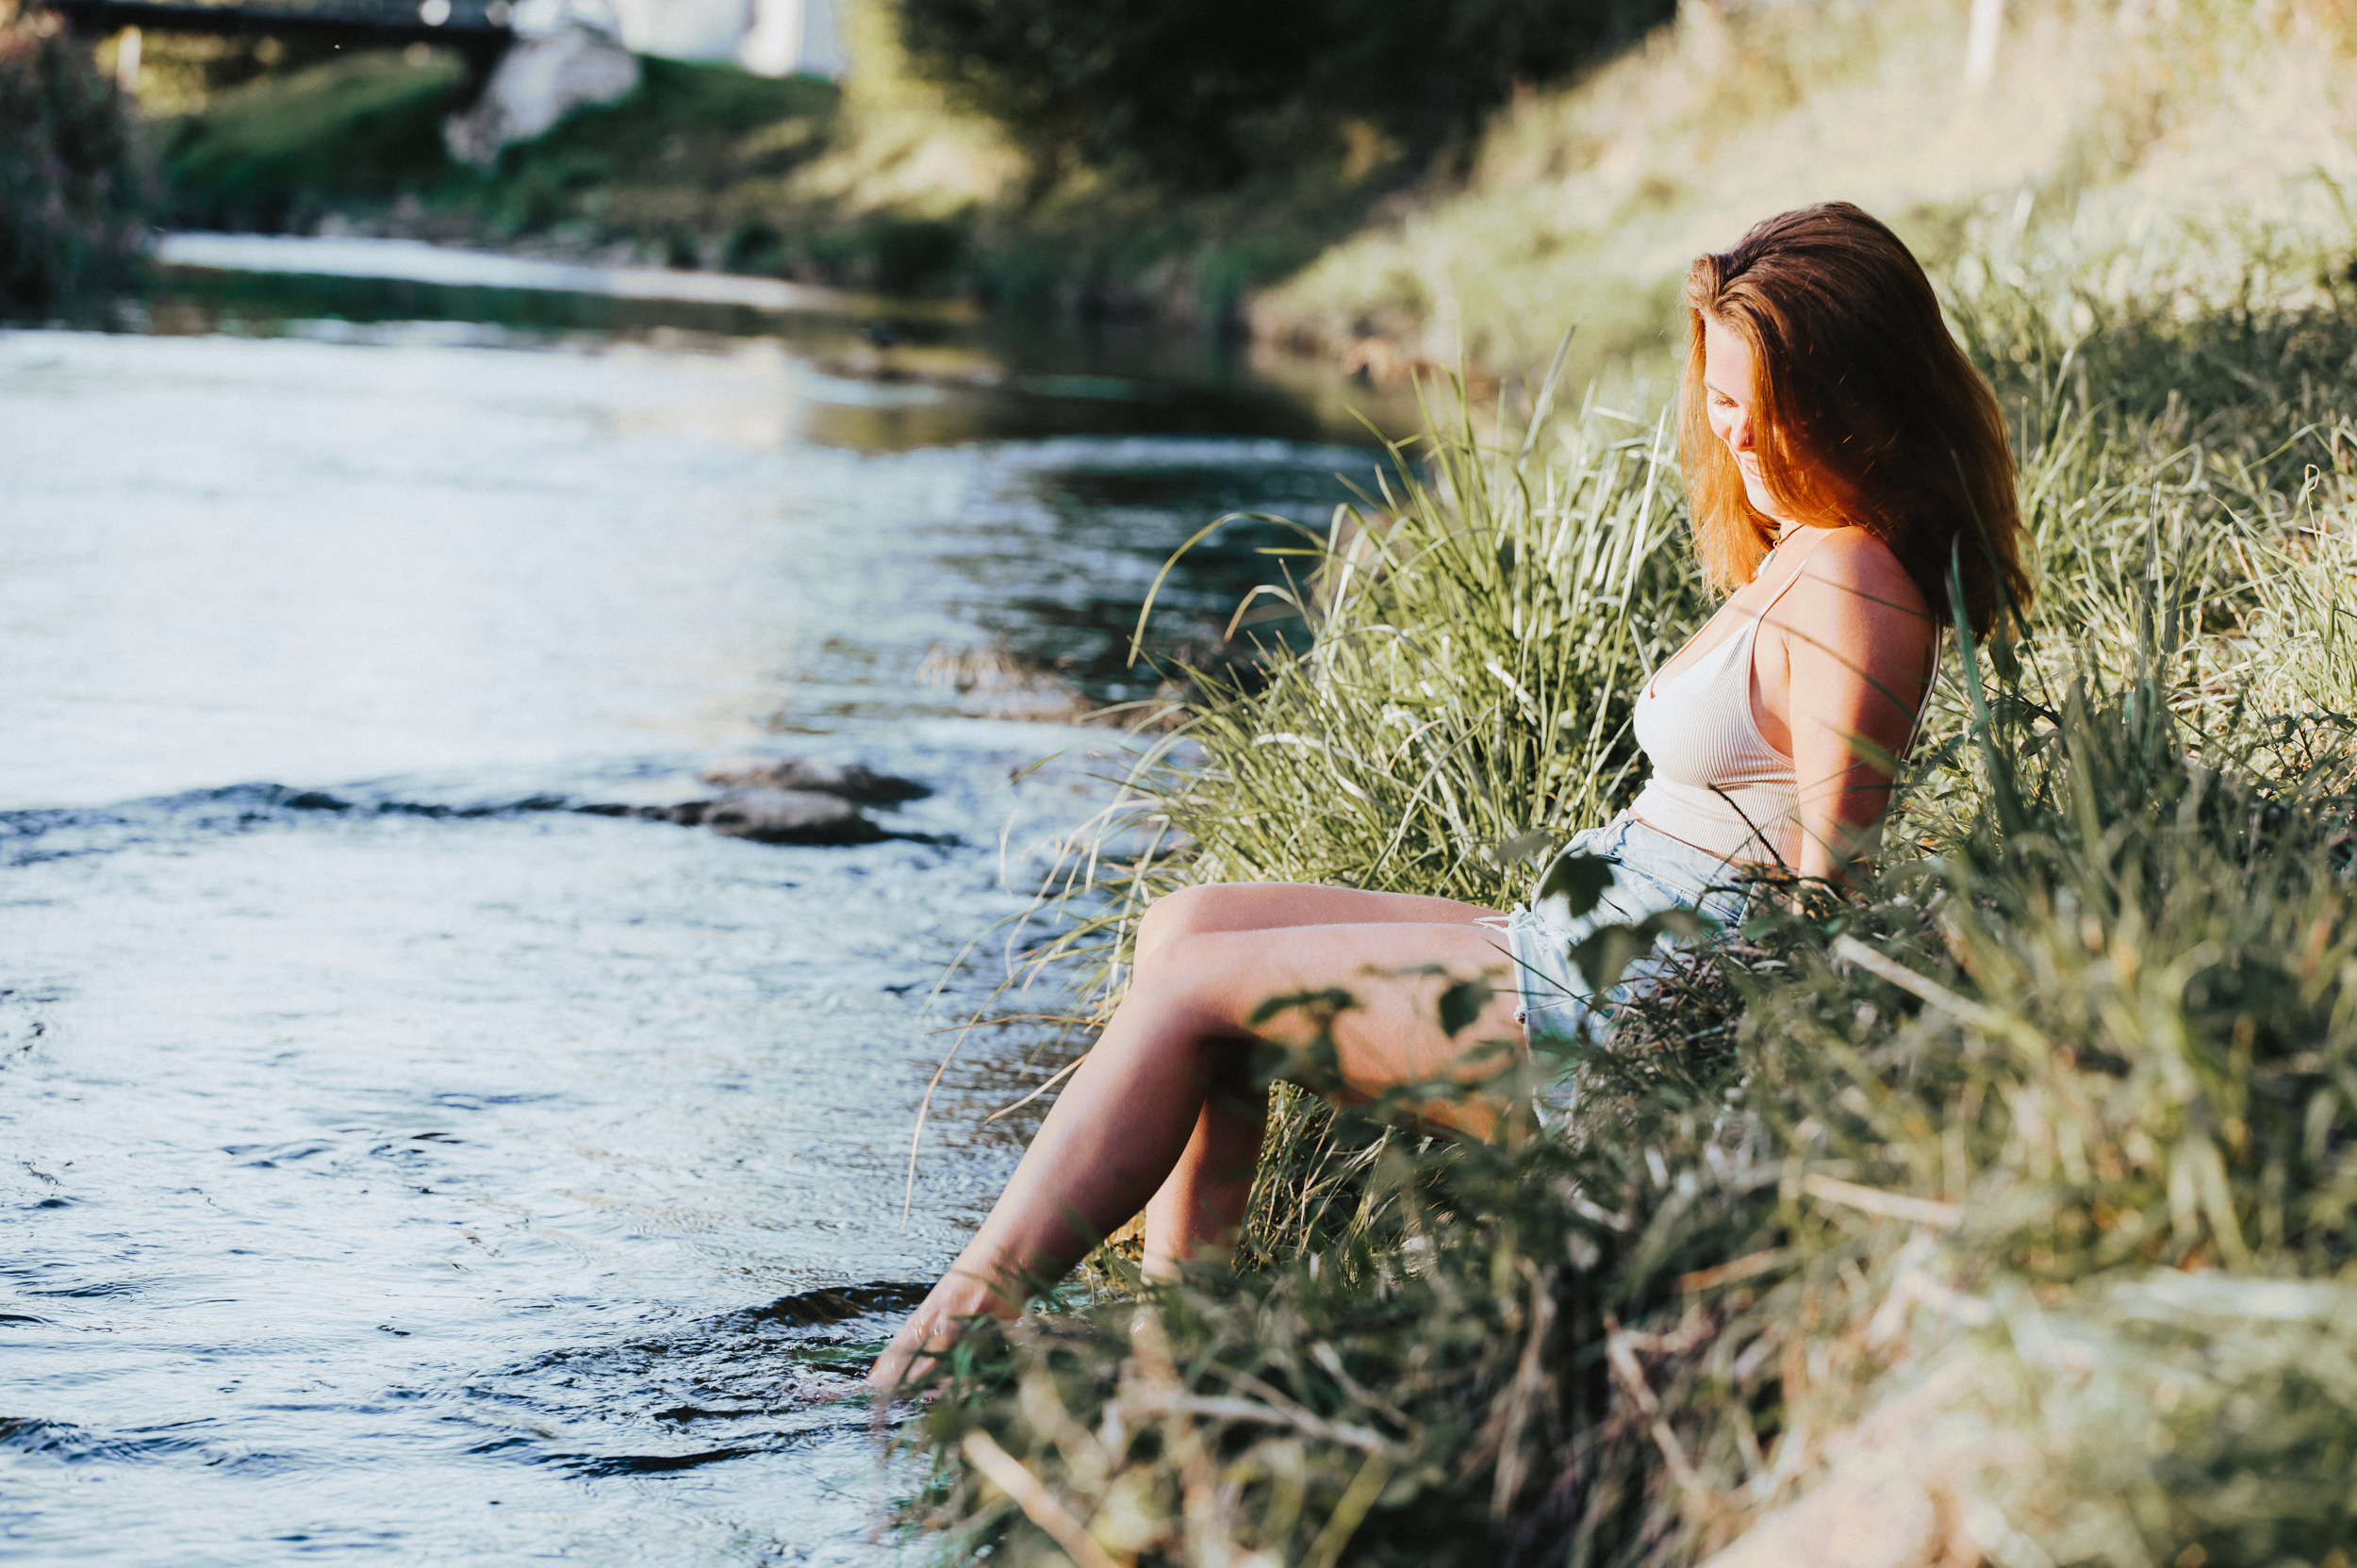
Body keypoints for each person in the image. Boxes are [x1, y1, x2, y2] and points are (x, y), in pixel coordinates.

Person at [867, 202, 2035, 1392]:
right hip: (1580, 938)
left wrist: (1718, 1090)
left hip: (1616, 1012)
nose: (1728, 430)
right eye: (1717, 397)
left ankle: (938, 1343)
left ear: (1845, 396)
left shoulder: (1853, 579)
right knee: (1188, 925)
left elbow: (1825, 889)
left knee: (1191, 990)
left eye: (1755, 406)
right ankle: (1177, 1370)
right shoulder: (1809, 547)